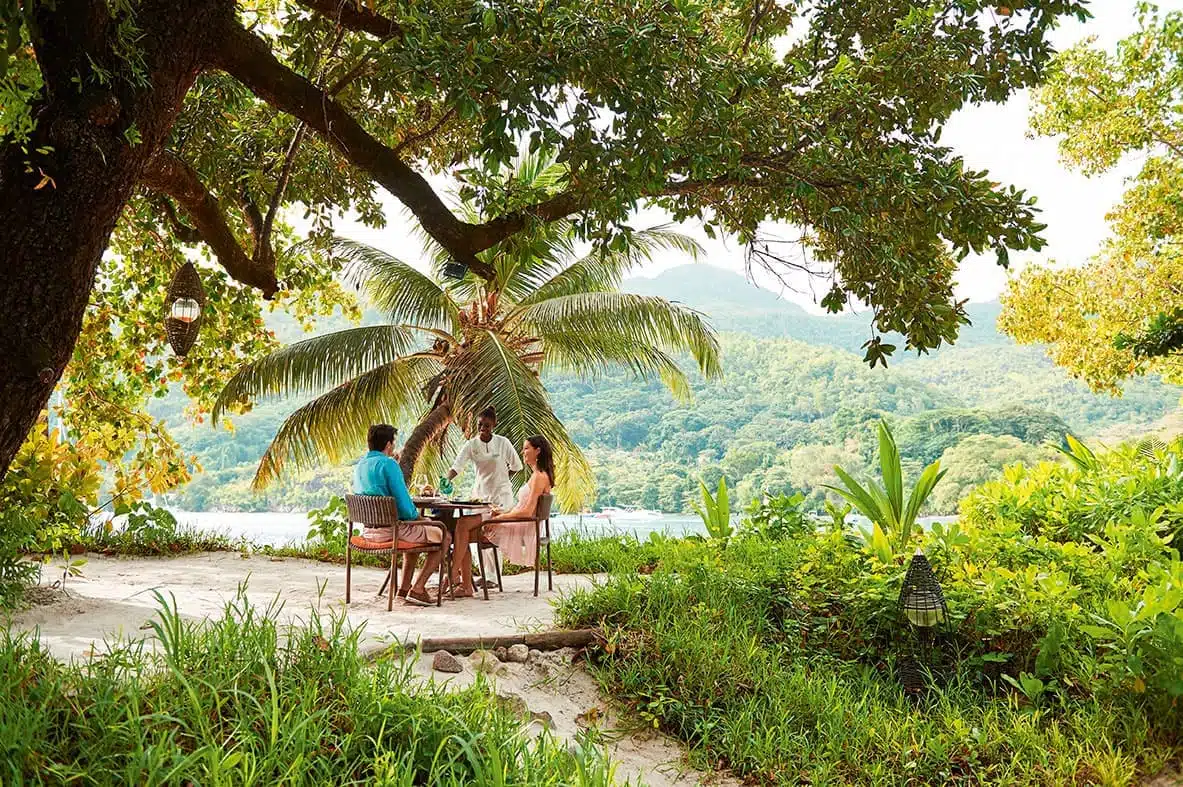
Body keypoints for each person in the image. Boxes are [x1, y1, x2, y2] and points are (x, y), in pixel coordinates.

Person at [353, 424, 449, 606]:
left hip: (369, 532)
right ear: (389, 445)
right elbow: (405, 508)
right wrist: (422, 519)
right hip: (391, 532)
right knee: (444, 535)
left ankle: (404, 589)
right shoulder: (389, 464)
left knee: (413, 532)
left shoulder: (360, 465)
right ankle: (419, 588)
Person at [451, 435, 554, 598]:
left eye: (526, 448)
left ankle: (457, 579)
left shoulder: (539, 477)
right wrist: (502, 513)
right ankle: (461, 582)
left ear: (538, 451)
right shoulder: (537, 475)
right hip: (518, 522)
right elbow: (523, 508)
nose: (523, 452)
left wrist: (499, 518)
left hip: (521, 527)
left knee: (462, 528)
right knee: (462, 530)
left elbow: (527, 512)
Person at [446, 406, 522, 585]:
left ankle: (493, 577)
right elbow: (457, 466)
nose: (483, 428)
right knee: (476, 533)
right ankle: (483, 575)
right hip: (479, 497)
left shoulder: (503, 443)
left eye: (487, 425)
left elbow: (517, 466)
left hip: (501, 497)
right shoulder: (471, 445)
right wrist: (446, 480)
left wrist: (503, 477)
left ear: (494, 424)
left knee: (492, 533)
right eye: (480, 425)